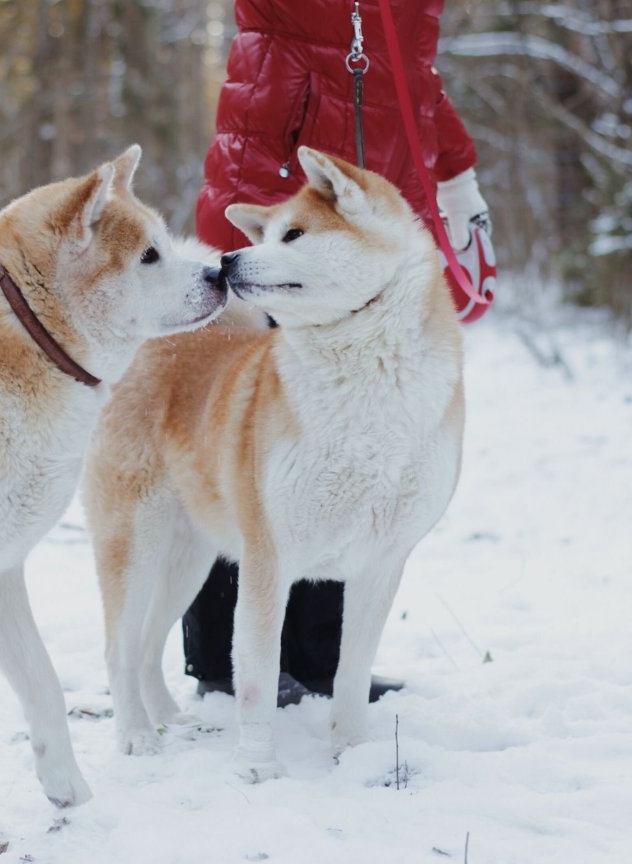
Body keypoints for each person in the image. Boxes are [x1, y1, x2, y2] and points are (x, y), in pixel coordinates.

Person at [185, 0, 491, 705]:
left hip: (371, 227)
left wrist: (457, 174)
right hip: (284, 218)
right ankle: (225, 664)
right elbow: (263, 87)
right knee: (252, 455)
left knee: (351, 447)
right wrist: (244, 243)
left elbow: (416, 83)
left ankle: (320, 657)